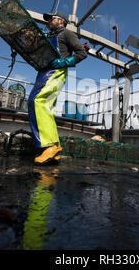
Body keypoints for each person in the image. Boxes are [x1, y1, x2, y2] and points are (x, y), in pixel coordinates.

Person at [28, 11, 88, 165]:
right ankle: (55, 146)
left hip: (56, 72)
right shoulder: (48, 37)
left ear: (61, 20)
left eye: (51, 18)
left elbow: (82, 53)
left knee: (37, 101)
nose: (48, 21)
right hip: (44, 72)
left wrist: (64, 62)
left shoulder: (67, 33)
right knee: (46, 107)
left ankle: (48, 146)